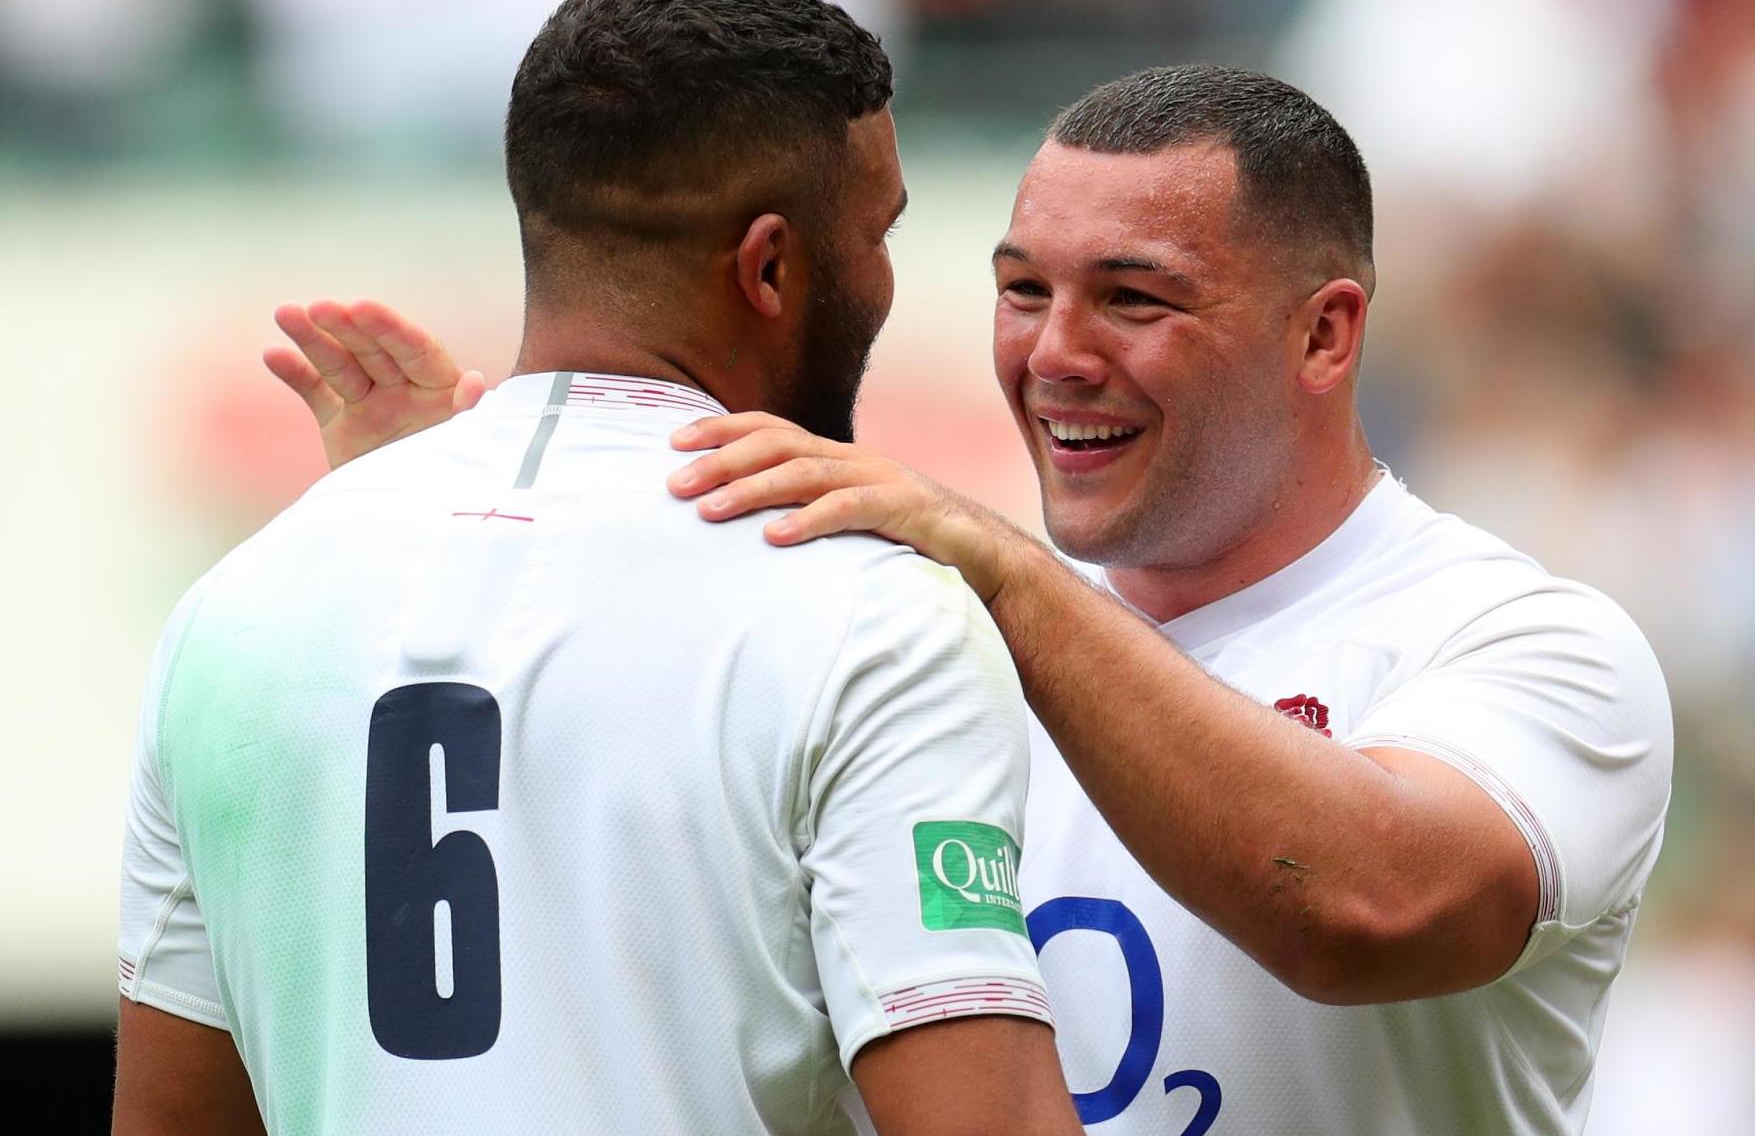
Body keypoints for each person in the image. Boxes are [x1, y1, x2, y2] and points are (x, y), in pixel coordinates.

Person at [282, 65, 1673, 1135]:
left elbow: (1366, 905)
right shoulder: (919, 630)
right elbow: (608, 901)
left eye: (1130, 299)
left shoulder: (1525, 645)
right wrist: (457, 552)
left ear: (1322, 332)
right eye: (1022, 292)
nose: (1054, 355)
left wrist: (998, 569)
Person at [115, 0, 1082, 1136]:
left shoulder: (236, 605)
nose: (883, 275)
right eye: (879, 233)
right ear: (769, 267)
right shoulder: (871, 614)